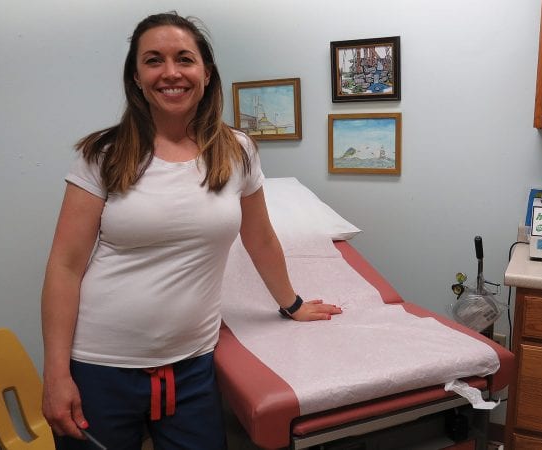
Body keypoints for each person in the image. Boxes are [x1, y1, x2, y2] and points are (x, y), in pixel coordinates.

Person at [40, 11, 342, 450]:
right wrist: (55, 374)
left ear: (206, 72)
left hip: (192, 367)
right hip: (99, 366)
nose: (170, 73)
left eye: (184, 59)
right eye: (153, 61)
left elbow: (259, 238)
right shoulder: (102, 155)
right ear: (136, 77)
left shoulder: (236, 151)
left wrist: (291, 304)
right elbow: (64, 267)